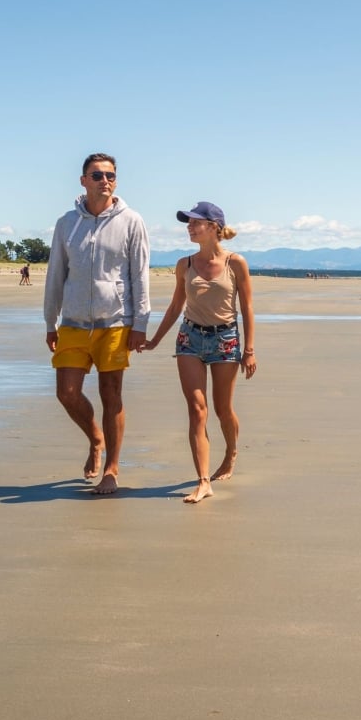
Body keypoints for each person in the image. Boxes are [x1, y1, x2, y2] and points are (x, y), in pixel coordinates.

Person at [43, 153, 150, 495]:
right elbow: (56, 274)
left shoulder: (131, 221)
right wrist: (50, 321)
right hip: (73, 322)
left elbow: (139, 275)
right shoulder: (66, 224)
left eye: (110, 175)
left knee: (111, 394)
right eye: (97, 175)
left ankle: (112, 469)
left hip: (116, 322)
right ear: (83, 180)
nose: (105, 180)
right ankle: (95, 438)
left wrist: (140, 323)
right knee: (67, 392)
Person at [144, 201, 256, 504]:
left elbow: (246, 308)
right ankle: (203, 480)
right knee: (197, 410)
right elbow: (175, 306)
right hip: (190, 338)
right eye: (188, 223)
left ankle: (231, 453)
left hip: (226, 339)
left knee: (222, 410)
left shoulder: (236, 263)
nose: (190, 227)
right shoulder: (185, 264)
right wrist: (154, 340)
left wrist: (249, 350)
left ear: (214, 227)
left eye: (196, 222)